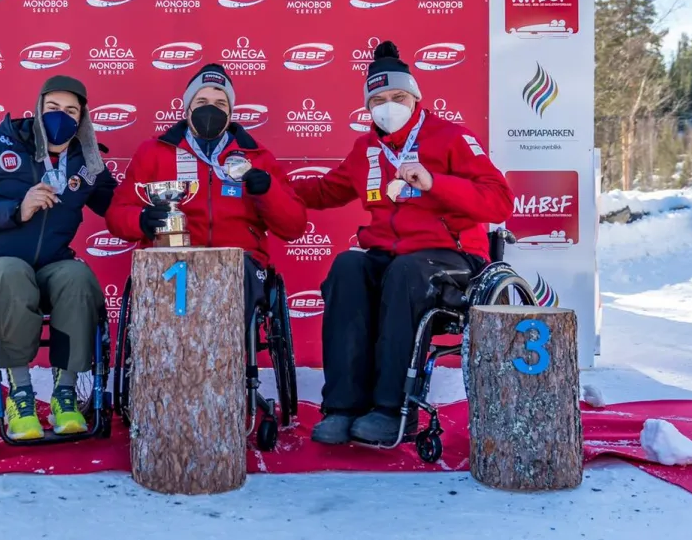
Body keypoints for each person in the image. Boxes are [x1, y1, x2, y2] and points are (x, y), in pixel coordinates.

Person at [291, 41, 514, 445]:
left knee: (405, 272)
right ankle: (343, 408)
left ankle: (393, 410)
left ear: (415, 98)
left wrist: (435, 183)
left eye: (397, 97)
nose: (388, 105)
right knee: (347, 266)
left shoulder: (451, 138)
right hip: (388, 255)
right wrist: (269, 187)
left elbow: (499, 200)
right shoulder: (367, 149)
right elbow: (326, 191)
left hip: (452, 258)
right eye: (378, 99)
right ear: (368, 107)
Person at [0, 75, 117, 440]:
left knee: (77, 277)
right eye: (53, 108)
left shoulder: (87, 161)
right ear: (37, 108)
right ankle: (19, 395)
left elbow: (118, 208)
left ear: (82, 117)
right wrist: (15, 210)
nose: (61, 117)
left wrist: (157, 217)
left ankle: (65, 395)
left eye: (71, 110)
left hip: (52, 263)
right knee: (13, 272)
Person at [106, 63, 307, 323]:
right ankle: (163, 359)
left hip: (240, 260)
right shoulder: (154, 152)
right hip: (173, 258)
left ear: (231, 112)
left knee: (237, 273)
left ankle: (228, 361)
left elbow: (294, 226)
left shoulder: (257, 156)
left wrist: (269, 191)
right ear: (187, 108)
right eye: (201, 101)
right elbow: (116, 215)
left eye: (220, 104)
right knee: (165, 277)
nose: (210, 110)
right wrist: (141, 220)